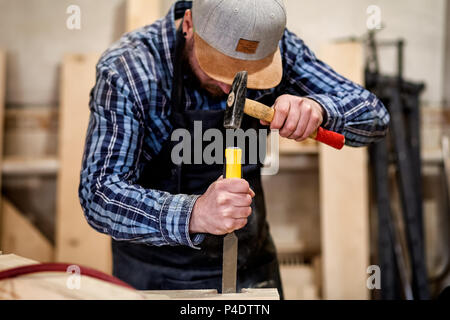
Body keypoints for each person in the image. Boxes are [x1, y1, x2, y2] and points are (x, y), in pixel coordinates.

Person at [79, 0, 390, 298]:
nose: (231, 88)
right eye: (218, 68)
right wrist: (194, 213)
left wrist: (321, 109)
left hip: (252, 266)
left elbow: (375, 116)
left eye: (250, 74)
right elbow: (99, 194)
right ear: (189, 24)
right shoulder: (130, 70)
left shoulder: (277, 47)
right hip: (156, 274)